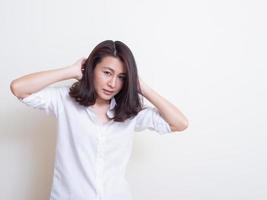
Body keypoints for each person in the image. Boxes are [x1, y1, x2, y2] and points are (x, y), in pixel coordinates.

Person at [10, 40, 188, 200]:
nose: (113, 84)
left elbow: (179, 123)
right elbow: (19, 88)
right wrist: (70, 71)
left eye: (121, 77)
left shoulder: (130, 112)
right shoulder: (64, 100)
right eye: (107, 73)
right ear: (92, 68)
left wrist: (142, 87)